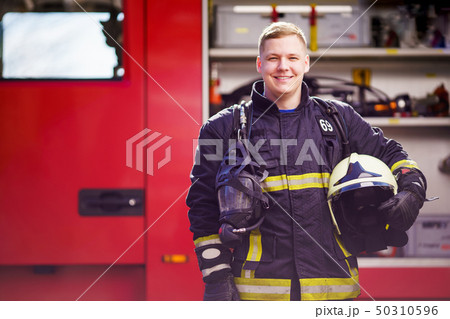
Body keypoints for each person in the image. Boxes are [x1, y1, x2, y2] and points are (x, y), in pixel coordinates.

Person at [186, 22, 427, 301]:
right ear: (259, 63)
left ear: (306, 63)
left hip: (332, 293)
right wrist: (216, 276)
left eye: (292, 58)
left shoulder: (340, 120)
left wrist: (412, 189)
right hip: (258, 296)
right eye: (273, 58)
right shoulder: (223, 128)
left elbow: (394, 155)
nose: (283, 67)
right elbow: (201, 207)